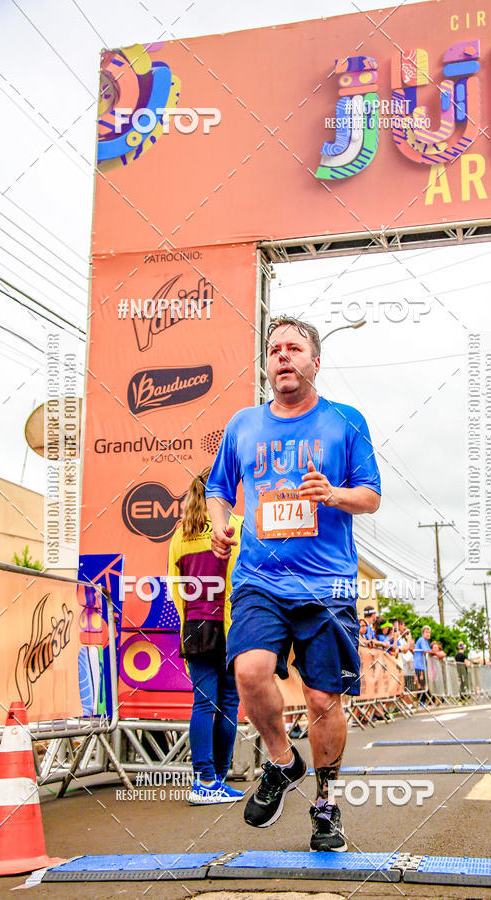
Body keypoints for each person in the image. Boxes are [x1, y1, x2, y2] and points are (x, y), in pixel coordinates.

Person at [206, 316, 381, 852]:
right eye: (274, 349)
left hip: (328, 586)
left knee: (324, 698)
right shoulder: (242, 424)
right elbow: (218, 487)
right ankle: (282, 761)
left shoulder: (345, 422)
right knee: (250, 671)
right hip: (261, 578)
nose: (283, 356)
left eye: (294, 348)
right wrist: (219, 521)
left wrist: (333, 494)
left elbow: (371, 495)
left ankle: (326, 806)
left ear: (314, 362)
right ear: (267, 364)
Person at [168, 467, 245, 805]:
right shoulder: (239, 526)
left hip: (195, 627)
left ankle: (205, 780)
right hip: (232, 625)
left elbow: (174, 590)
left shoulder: (179, 536)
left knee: (203, 702)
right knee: (229, 703)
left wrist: (190, 619)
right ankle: (218, 776)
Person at [413, 625, 432, 705]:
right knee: (421, 684)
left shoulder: (426, 641)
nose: (428, 634)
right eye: (426, 632)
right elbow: (426, 651)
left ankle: (423, 700)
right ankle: (421, 701)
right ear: (423, 633)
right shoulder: (421, 640)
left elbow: (428, 650)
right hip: (419, 665)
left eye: (429, 632)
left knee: (424, 684)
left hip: (424, 666)